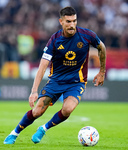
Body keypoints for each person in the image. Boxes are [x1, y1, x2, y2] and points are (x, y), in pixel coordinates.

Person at [4, 6, 106, 144]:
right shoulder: (55, 40)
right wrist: (34, 91)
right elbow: (42, 66)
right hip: (56, 81)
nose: (72, 25)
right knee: (37, 112)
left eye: (74, 21)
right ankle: (14, 133)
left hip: (76, 82)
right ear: (61, 21)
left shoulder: (87, 35)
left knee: (68, 109)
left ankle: (44, 128)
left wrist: (102, 72)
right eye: (68, 21)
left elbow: (102, 47)